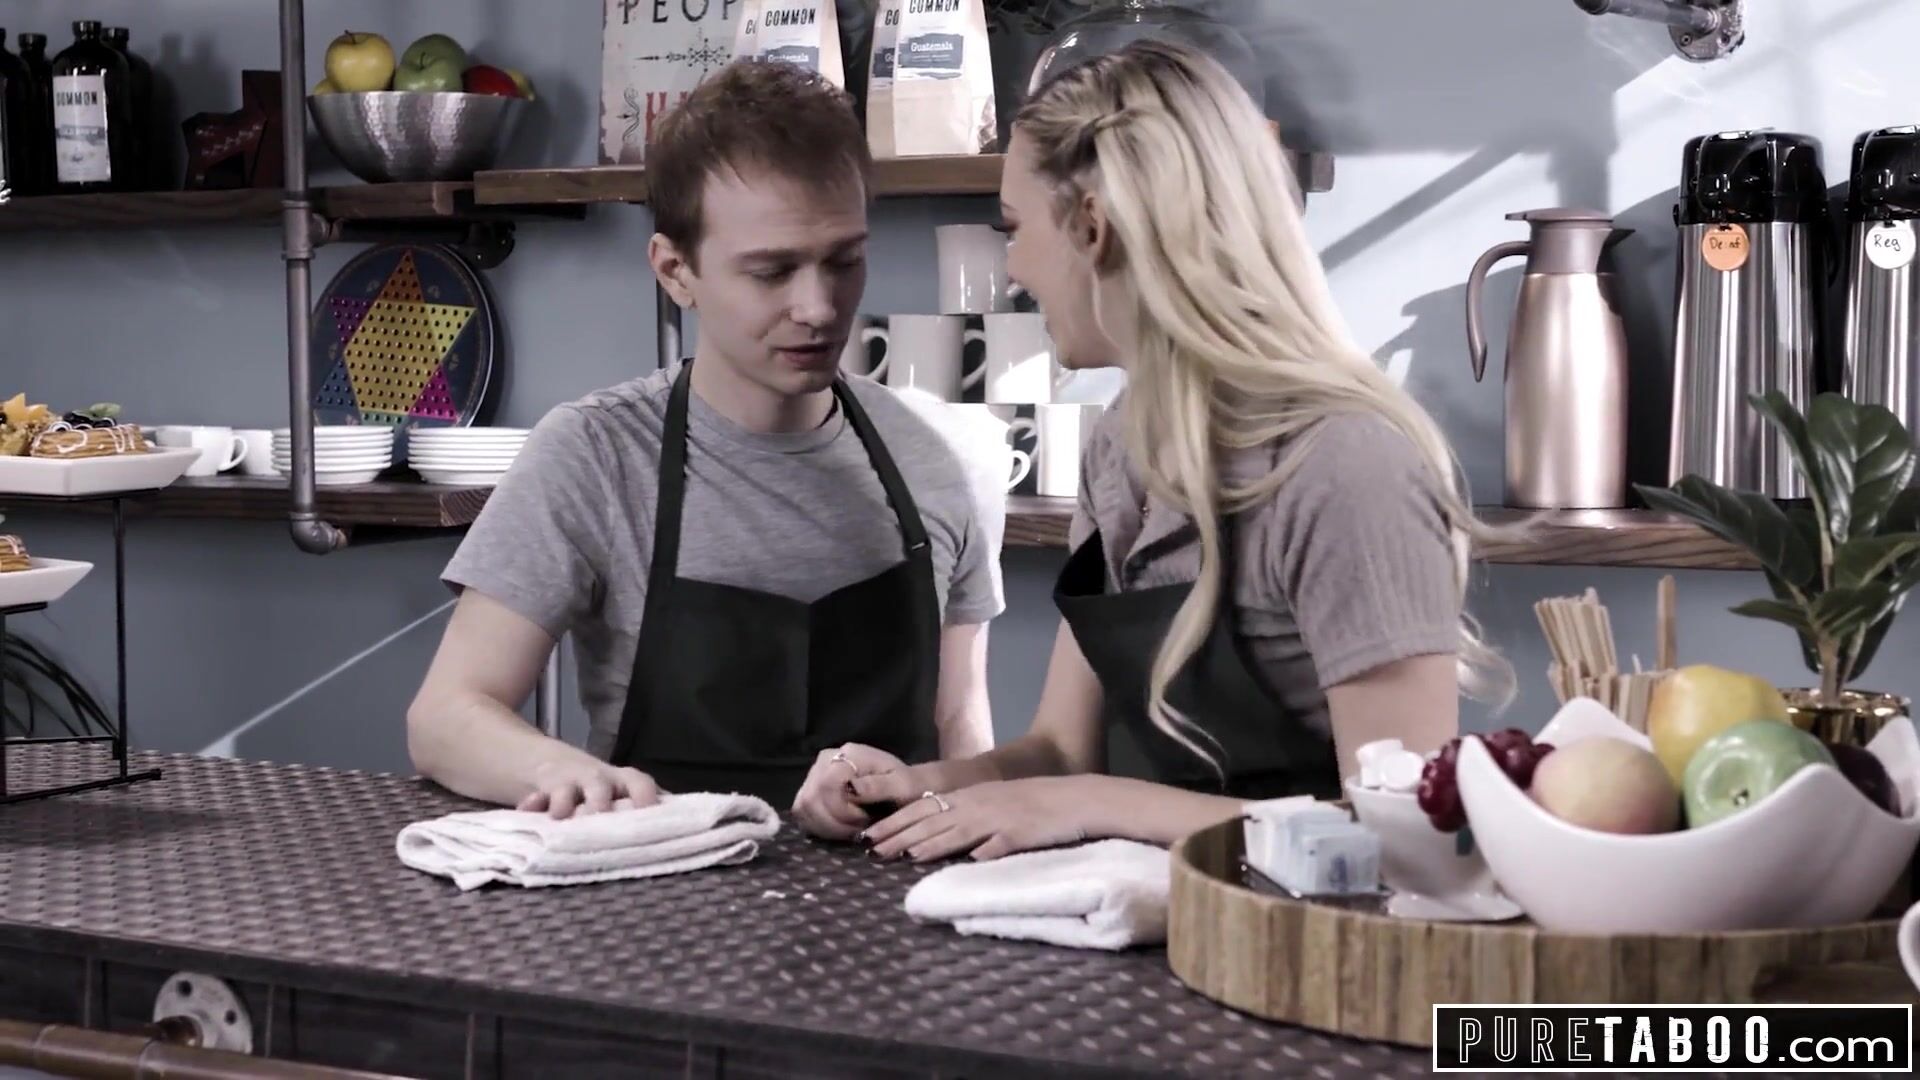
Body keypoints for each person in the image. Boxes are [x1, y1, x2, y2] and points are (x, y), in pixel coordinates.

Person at [803, 39, 1517, 860]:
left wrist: (1095, 803)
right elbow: (1059, 755)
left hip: (1306, 933)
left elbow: (1406, 838)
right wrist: (919, 786)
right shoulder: (1123, 442)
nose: (1013, 268)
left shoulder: (1348, 467)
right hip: (1151, 917)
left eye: (1015, 228)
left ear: (1093, 227)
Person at [406, 59, 1003, 821]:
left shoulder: (937, 457)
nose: (819, 307)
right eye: (772, 272)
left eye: (844, 261)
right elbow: (446, 716)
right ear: (675, 270)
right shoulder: (596, 454)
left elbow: (961, 728)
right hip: (658, 879)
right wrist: (564, 771)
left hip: (894, 886)